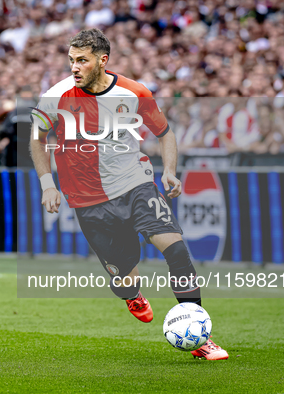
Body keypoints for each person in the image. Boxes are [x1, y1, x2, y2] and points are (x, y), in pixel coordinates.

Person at [29, 28, 228, 361]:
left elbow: (165, 133)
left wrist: (169, 171)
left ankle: (201, 337)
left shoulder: (134, 92)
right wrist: (47, 183)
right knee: (124, 278)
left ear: (102, 60)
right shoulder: (56, 96)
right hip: (88, 201)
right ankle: (131, 293)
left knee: (176, 251)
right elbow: (37, 138)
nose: (74, 67)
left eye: (82, 60)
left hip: (136, 184)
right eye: (71, 60)